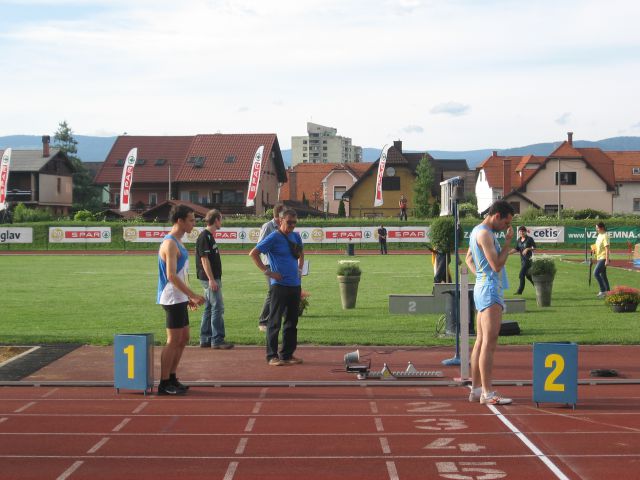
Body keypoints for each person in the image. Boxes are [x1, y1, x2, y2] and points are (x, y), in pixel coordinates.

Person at [465, 200, 515, 406]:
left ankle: (476, 390)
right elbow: (495, 265)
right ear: (497, 216)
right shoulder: (486, 234)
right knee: (489, 343)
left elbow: (469, 259)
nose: (506, 227)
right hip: (490, 291)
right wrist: (507, 245)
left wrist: (480, 277)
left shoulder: (476, 231)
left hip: (482, 287)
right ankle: (487, 392)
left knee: (480, 341)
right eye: (506, 222)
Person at [157, 205, 205, 395]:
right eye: (191, 220)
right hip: (170, 296)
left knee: (183, 338)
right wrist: (192, 294)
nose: (194, 224)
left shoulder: (179, 241)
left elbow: (182, 274)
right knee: (173, 340)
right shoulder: (170, 243)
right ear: (180, 221)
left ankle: (172, 377)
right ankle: (164, 382)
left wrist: (187, 297)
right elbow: (171, 275)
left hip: (179, 296)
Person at [249, 208, 304, 366]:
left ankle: (287, 354)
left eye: (295, 222)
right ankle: (272, 356)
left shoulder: (296, 236)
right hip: (279, 286)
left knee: (292, 322)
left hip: (294, 285)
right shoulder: (273, 237)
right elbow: (253, 253)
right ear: (280, 221)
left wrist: (300, 269)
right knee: (274, 322)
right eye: (289, 222)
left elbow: (301, 252)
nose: (292, 225)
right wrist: (269, 272)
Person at [196, 209, 233, 349]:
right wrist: (211, 279)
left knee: (209, 307)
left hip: (210, 278)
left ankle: (205, 338)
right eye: (221, 219)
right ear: (216, 220)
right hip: (209, 278)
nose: (221, 222)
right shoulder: (205, 237)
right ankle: (217, 340)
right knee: (217, 307)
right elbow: (204, 260)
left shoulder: (209, 236)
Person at [257, 203, 284, 332]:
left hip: (279, 264)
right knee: (273, 292)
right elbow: (259, 246)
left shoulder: (283, 227)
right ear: (278, 216)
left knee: (279, 292)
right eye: (284, 215)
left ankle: (275, 318)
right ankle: (263, 321)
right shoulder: (268, 226)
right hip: (269, 264)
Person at [510, 226, 536, 295]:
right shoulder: (519, 240)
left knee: (521, 275)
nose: (521, 232)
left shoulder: (529, 239)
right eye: (520, 231)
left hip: (528, 260)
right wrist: (508, 253)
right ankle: (537, 286)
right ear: (518, 232)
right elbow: (516, 249)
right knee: (528, 275)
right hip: (523, 260)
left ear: (525, 232)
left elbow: (534, 247)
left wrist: (527, 249)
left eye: (523, 231)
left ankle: (519, 291)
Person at [592, 222, 611, 297]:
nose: (596, 229)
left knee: (595, 273)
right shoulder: (599, 235)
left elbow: (607, 248)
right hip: (599, 257)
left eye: (597, 228)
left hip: (603, 258)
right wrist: (594, 249)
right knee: (603, 275)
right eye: (596, 228)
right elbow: (598, 246)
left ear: (601, 228)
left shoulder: (605, 236)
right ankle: (608, 292)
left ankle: (603, 291)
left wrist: (607, 259)